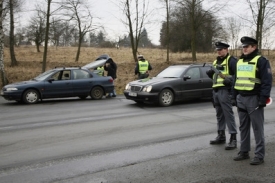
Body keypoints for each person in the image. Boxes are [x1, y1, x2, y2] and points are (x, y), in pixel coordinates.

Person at [231, 36, 272, 165]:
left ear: (254, 47)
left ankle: (259, 155)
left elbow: (267, 81)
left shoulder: (261, 61)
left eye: (247, 46)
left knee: (257, 128)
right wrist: (233, 96)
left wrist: (263, 99)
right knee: (243, 127)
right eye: (243, 47)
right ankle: (244, 151)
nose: (244, 49)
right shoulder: (240, 61)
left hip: (254, 98)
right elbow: (235, 80)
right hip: (241, 98)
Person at [206, 41, 238, 150]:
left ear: (226, 49)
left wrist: (231, 84)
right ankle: (221, 135)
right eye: (218, 50)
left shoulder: (232, 61)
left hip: (225, 91)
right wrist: (211, 74)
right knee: (219, 115)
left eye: (221, 49)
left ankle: (233, 138)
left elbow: (237, 76)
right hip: (216, 90)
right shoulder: (215, 62)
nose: (219, 52)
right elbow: (215, 78)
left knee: (228, 115)